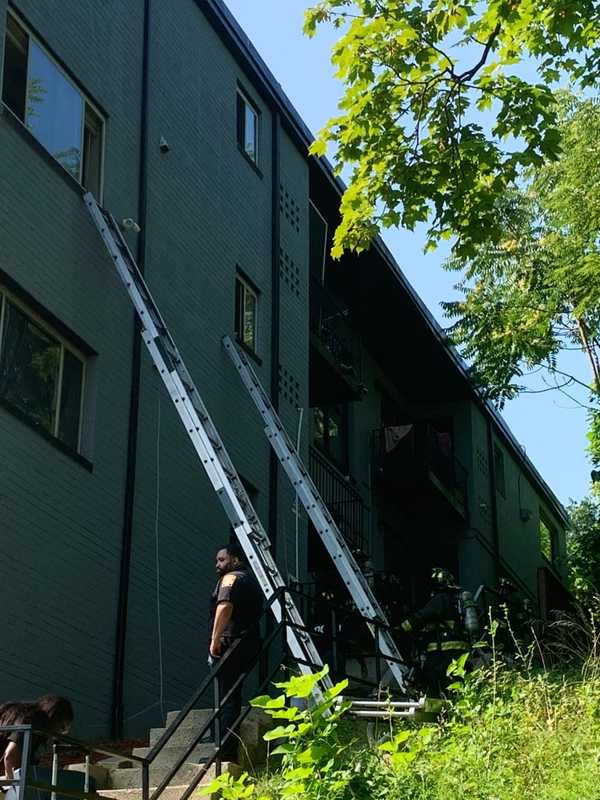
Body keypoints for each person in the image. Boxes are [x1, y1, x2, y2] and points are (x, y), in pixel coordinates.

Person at [208, 543, 263, 762]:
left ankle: (224, 753)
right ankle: (226, 750)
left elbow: (224, 606)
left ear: (235, 560)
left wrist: (214, 641)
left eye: (221, 560)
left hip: (231, 643)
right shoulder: (250, 581)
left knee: (226, 697)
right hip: (247, 643)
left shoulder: (232, 579)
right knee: (231, 695)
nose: (217, 565)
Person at [400, 568, 470, 696]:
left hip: (442, 649)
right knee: (455, 683)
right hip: (460, 649)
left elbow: (423, 615)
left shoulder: (440, 599)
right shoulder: (456, 601)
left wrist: (403, 627)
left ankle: (432, 710)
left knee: (430, 678)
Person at [0, 696, 73, 781]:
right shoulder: (37, 720)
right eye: (62, 727)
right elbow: (10, 756)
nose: (59, 733)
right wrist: (14, 786)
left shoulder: (20, 712)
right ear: (56, 718)